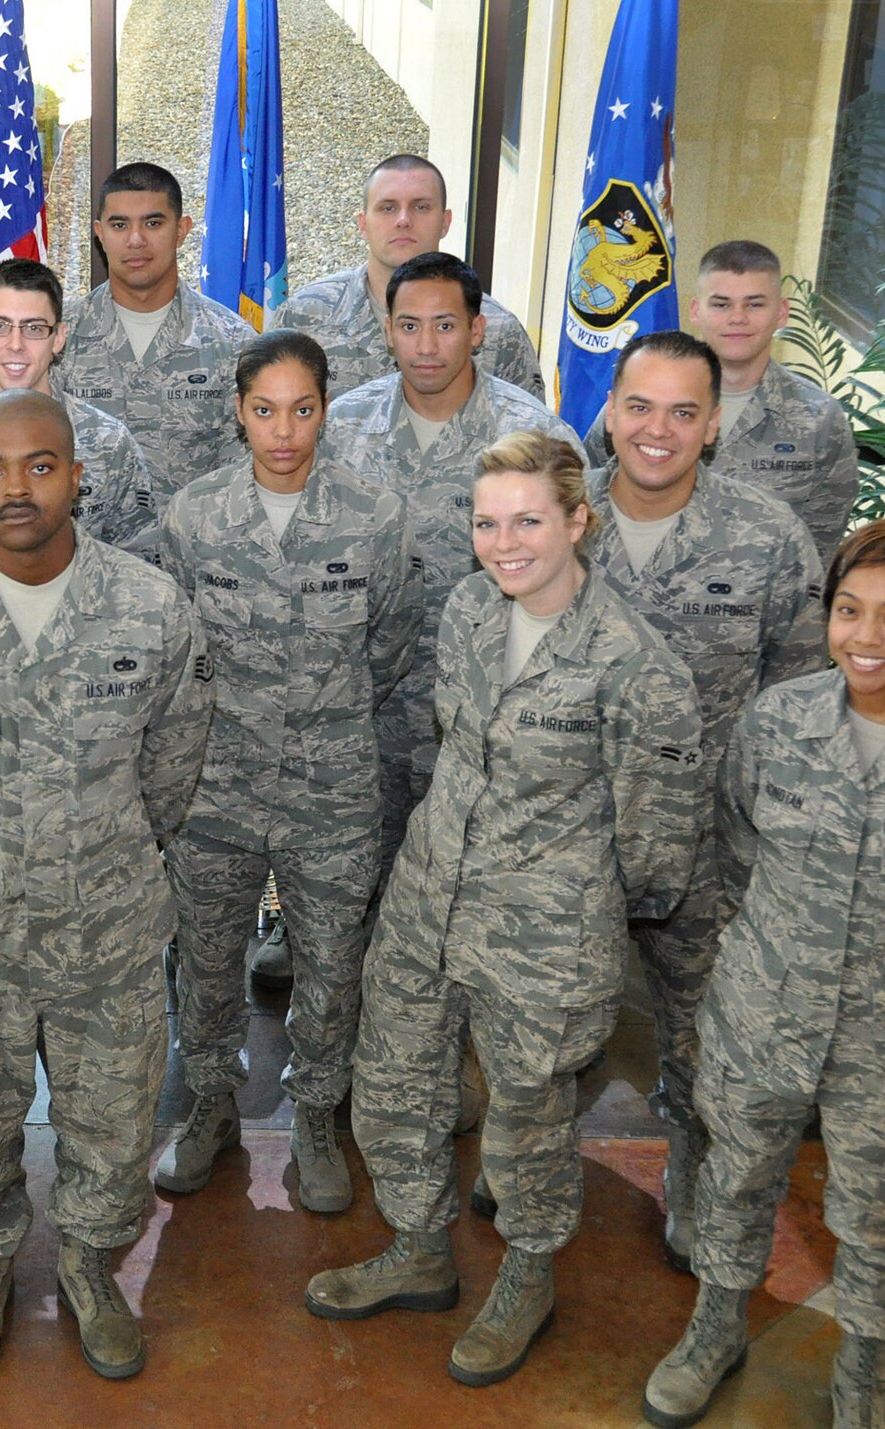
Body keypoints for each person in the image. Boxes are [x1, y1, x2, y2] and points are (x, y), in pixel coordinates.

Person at [307, 432, 704, 1389]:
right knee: (394, 1081)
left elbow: (659, 846)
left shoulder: (635, 665)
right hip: (429, 896)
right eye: (487, 523)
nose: (504, 543)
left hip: (544, 929)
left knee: (528, 1116)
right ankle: (419, 1248)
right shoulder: (469, 610)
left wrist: (582, 908)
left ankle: (527, 1277)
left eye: (528, 520)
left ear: (578, 520)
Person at [641, 522, 885, 1429]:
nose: (866, 635)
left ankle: (862, 1373)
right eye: (849, 609)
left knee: (881, 1213)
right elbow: (737, 847)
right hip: (764, 1010)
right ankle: (714, 1330)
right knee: (736, 1179)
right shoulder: (775, 723)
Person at [0, 388, 212, 1380]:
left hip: (107, 924)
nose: (14, 488)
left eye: (38, 465)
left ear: (77, 475)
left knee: (111, 1117)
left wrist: (108, 844)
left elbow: (173, 763)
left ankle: (90, 1263)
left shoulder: (150, 607)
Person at [571, 329, 825, 1269]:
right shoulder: (554, 517)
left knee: (700, 1031)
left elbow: (801, 699)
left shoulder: (767, 536)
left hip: (705, 842)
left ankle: (693, 1171)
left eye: (684, 412)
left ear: (714, 425)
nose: (658, 430)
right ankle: (535, 1159)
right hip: (572, 830)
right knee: (552, 1016)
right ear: (609, 411)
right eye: (639, 406)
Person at [154, 331, 421, 1212]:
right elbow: (178, 647)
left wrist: (323, 712)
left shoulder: (374, 516)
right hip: (215, 782)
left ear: (325, 411)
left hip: (331, 786)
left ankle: (315, 1114)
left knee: (332, 964)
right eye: (264, 410)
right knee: (206, 958)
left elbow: (390, 643)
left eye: (302, 410)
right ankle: (211, 1102)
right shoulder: (195, 516)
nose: (283, 431)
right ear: (238, 411)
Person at [324, 252, 580, 892]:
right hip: (367, 715)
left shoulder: (535, 438)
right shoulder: (342, 428)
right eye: (409, 325)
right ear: (388, 331)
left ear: (477, 330)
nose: (426, 345)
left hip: (487, 719)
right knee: (358, 888)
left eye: (445, 325)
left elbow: (573, 587)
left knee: (477, 891)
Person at [583, 239, 858, 557]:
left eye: (754, 305)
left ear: (782, 313)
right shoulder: (636, 406)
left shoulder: (818, 420)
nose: (737, 318)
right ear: (696, 310)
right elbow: (586, 500)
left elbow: (817, 551)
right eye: (721, 304)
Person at [0, 257, 156, 559]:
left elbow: (137, 564)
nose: (16, 344)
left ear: (58, 338)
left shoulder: (110, 443)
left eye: (34, 328)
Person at [55, 162, 253, 527]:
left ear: (182, 230)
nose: (135, 240)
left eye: (153, 223)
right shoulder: (57, 339)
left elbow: (241, 476)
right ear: (99, 233)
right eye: (119, 225)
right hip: (84, 554)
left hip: (190, 550)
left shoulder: (233, 343)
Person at [272, 154, 545, 400]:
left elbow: (532, 434)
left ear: (445, 222)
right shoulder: (304, 317)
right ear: (363, 224)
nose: (403, 220)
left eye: (421, 207)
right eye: (388, 208)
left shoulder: (499, 330)